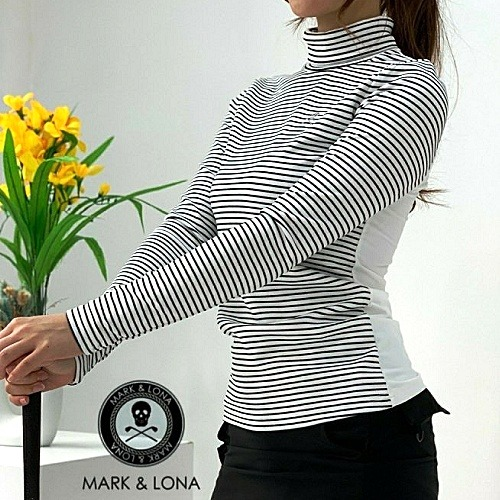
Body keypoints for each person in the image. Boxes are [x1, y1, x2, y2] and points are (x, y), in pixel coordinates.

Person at [0, 0, 452, 498]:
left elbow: (277, 239)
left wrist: (80, 327)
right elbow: (184, 232)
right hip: (249, 435)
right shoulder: (260, 98)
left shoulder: (408, 89)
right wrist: (84, 349)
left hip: (358, 438)